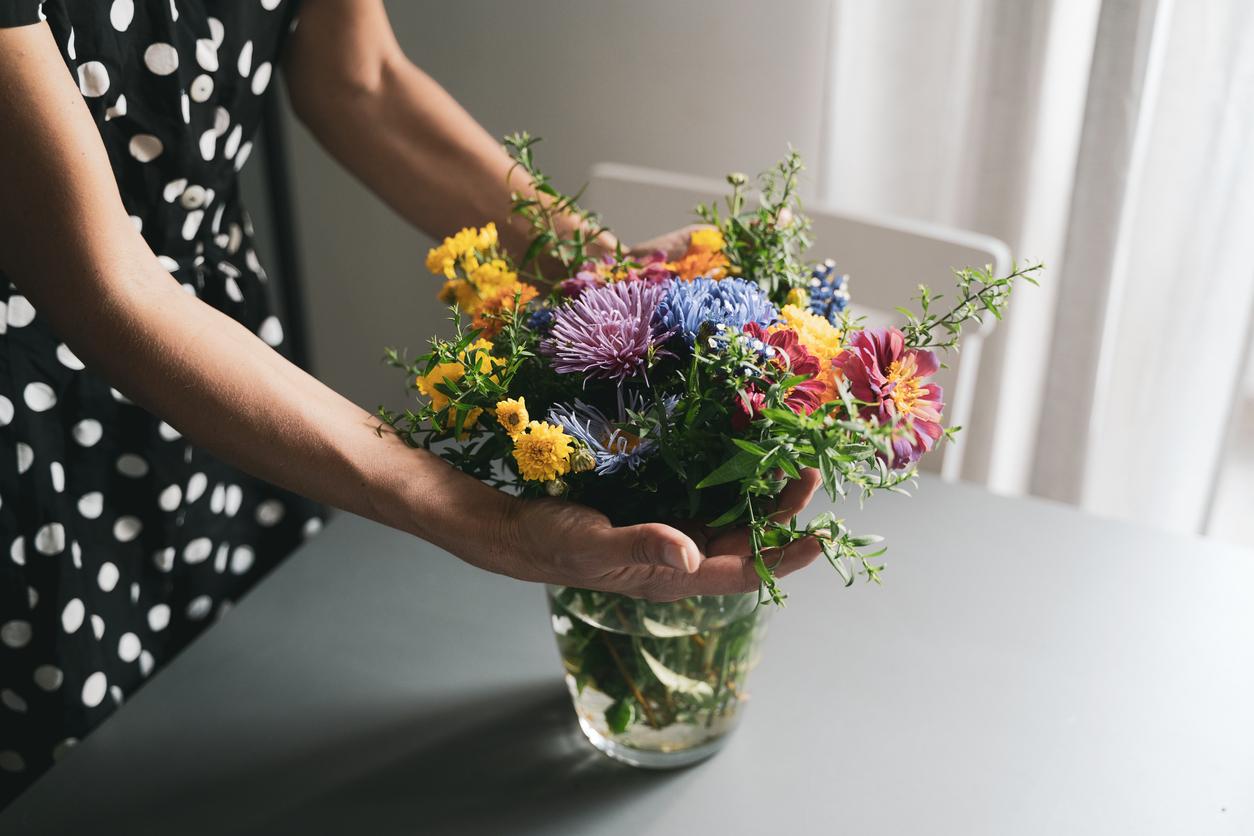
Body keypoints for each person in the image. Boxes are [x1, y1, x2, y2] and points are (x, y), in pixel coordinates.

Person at [0, 0, 822, 803]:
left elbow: (364, 80)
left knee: (226, 741)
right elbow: (108, 283)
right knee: (76, 778)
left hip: (228, 363)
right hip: (35, 422)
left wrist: (609, 289)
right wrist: (494, 526)